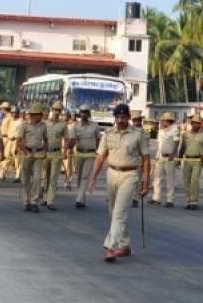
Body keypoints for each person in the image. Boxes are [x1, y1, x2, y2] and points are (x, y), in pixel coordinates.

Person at [88, 103, 151, 262]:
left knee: (119, 213)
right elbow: (100, 157)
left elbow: (146, 159)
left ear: (128, 117)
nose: (121, 120)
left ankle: (110, 247)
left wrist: (146, 181)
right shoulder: (108, 134)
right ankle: (125, 245)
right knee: (113, 212)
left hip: (130, 175)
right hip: (112, 173)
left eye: (123, 117)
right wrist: (93, 178)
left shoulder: (138, 134)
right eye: (118, 117)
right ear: (114, 118)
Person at [15, 102, 48, 212]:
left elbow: (46, 139)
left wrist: (44, 151)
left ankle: (34, 202)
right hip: (26, 154)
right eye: (40, 114)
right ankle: (26, 201)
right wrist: (26, 152)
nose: (42, 116)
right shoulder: (24, 125)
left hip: (38, 154)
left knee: (37, 179)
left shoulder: (43, 126)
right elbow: (18, 141)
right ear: (35, 114)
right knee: (26, 179)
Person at [67, 105, 100, 208]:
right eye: (82, 112)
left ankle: (79, 199)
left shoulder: (95, 125)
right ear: (79, 114)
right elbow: (71, 141)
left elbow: (98, 139)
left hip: (90, 154)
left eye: (86, 112)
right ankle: (82, 198)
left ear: (89, 114)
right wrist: (69, 145)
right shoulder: (75, 126)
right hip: (79, 153)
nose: (84, 114)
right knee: (79, 176)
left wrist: (98, 151)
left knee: (85, 176)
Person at [178, 115, 203, 210]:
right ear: (191, 123)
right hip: (187, 160)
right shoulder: (186, 134)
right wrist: (179, 160)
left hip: (198, 160)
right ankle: (189, 201)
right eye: (195, 123)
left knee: (194, 181)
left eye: (199, 123)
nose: (197, 125)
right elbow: (183, 147)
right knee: (186, 181)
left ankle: (194, 202)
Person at [41, 101, 68, 209]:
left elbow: (66, 139)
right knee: (46, 176)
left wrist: (65, 152)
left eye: (59, 110)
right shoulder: (45, 124)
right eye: (55, 110)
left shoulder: (63, 125)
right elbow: (41, 138)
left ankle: (50, 200)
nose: (57, 112)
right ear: (51, 110)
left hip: (57, 153)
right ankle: (45, 197)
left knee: (53, 178)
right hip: (46, 152)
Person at [151, 112, 180, 207]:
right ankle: (156, 198)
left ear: (167, 121)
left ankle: (170, 200)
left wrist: (173, 154)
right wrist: (157, 155)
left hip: (170, 157)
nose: (161, 122)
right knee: (157, 177)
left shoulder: (175, 129)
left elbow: (176, 142)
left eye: (162, 120)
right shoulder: (161, 131)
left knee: (170, 179)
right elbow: (159, 144)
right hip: (161, 156)